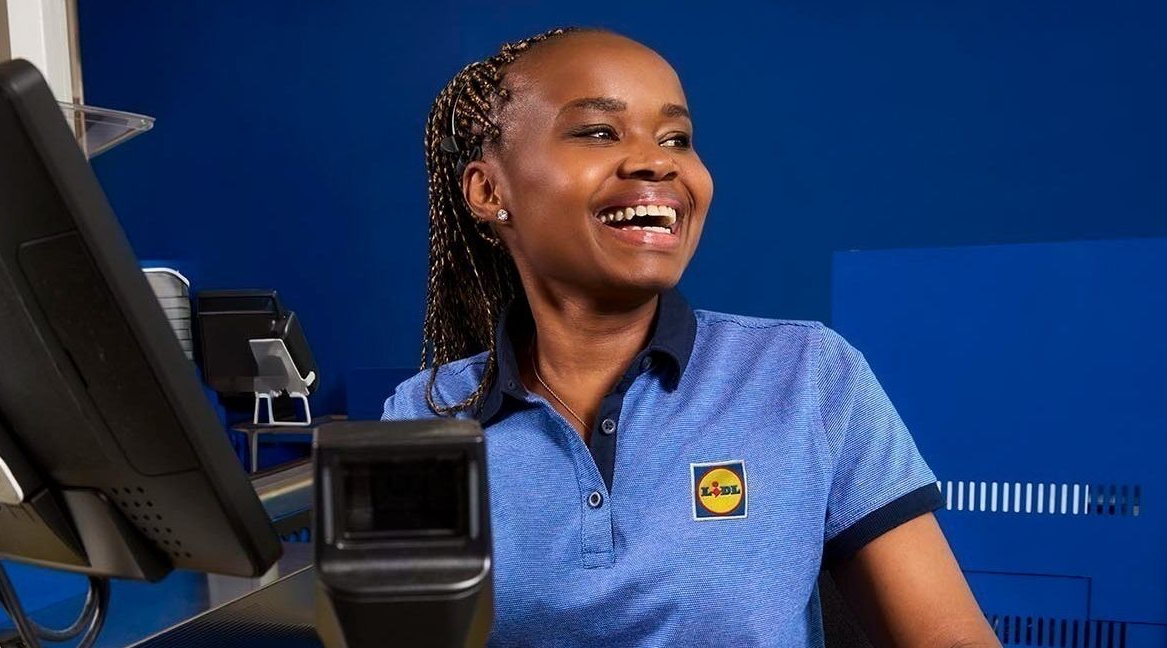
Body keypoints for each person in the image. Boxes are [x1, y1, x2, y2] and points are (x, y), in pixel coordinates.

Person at [383, 27, 1000, 647]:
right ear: (488, 191)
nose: (658, 161)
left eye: (677, 138)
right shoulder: (421, 418)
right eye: (599, 132)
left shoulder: (810, 378)